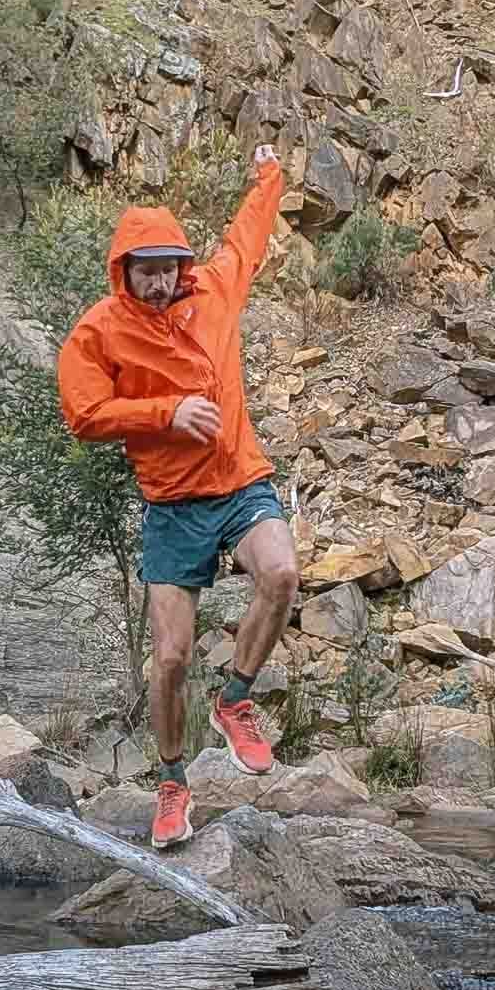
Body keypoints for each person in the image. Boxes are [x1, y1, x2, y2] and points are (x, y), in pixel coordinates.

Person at [56, 144, 299, 849]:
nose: (160, 283)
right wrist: (164, 411)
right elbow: (82, 412)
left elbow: (248, 234)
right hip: (172, 504)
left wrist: (269, 174)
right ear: (124, 271)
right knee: (169, 658)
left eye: (168, 269)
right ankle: (171, 782)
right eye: (147, 271)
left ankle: (236, 700)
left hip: (239, 481)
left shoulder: (216, 290)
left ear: (181, 266)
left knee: (282, 572)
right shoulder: (102, 328)